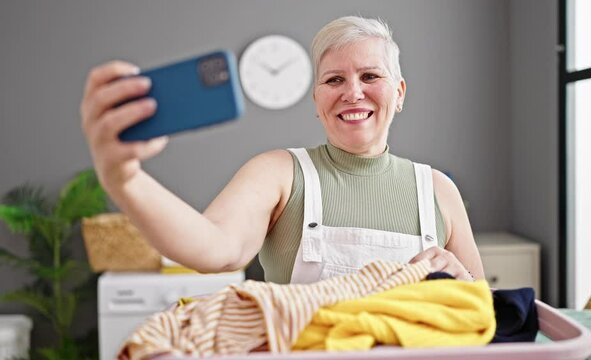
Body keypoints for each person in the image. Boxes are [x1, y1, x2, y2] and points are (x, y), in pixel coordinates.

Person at [80, 16, 484, 284]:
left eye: (370, 75)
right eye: (334, 80)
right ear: (316, 100)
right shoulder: (279, 173)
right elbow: (214, 249)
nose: (352, 92)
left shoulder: (437, 188)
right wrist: (125, 179)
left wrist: (463, 282)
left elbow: (483, 311)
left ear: (398, 93)